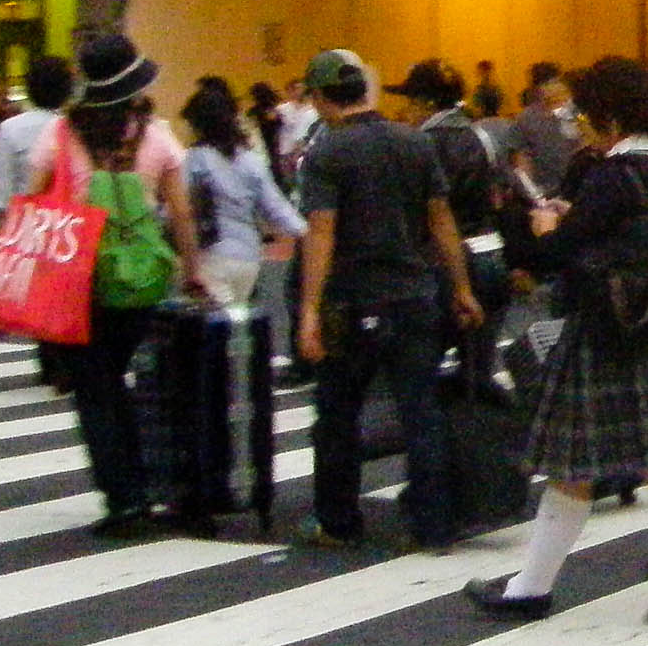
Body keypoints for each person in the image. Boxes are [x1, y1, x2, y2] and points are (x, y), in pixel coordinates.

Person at [464, 55, 648, 632]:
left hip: (612, 337)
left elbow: (553, 258)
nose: (577, 121)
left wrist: (543, 227)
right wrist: (572, 218)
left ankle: (530, 589)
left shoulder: (610, 176)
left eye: (583, 112)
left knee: (571, 466)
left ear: (604, 116)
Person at [293, 47, 485, 554]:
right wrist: (462, 288)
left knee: (337, 412)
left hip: (351, 301)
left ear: (319, 98)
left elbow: (321, 233)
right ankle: (434, 524)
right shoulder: (414, 143)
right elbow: (442, 222)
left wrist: (309, 311)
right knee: (421, 411)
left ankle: (338, 520)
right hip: (415, 295)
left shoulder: (327, 152)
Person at [27, 36, 207, 539]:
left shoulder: (61, 135)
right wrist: (191, 270)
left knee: (96, 391)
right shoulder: (156, 135)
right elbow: (182, 212)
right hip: (143, 281)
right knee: (131, 383)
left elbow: (33, 202)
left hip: (81, 285)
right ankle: (151, 484)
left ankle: (124, 498)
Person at [392, 59, 515, 370]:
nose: (408, 110)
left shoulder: (420, 143)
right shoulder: (483, 137)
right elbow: (501, 194)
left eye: (411, 101)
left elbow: (419, 210)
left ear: (426, 103)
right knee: (478, 360)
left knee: (420, 363)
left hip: (443, 259)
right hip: (490, 253)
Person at [180, 78, 307, 315]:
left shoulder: (195, 160)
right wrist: (307, 232)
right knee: (237, 323)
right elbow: (276, 207)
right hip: (249, 257)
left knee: (214, 332)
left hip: (211, 255)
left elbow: (179, 209)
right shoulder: (251, 160)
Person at [0, 52, 72, 220]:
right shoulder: (76, 130)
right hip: (69, 226)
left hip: (25, 226)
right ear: (68, 91)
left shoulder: (9, 129)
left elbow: (0, 195)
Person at [513, 65, 578, 193]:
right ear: (538, 88)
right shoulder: (526, 118)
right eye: (549, 83)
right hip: (544, 186)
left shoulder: (572, 111)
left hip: (574, 183)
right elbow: (523, 157)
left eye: (557, 82)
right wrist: (532, 191)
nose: (555, 88)